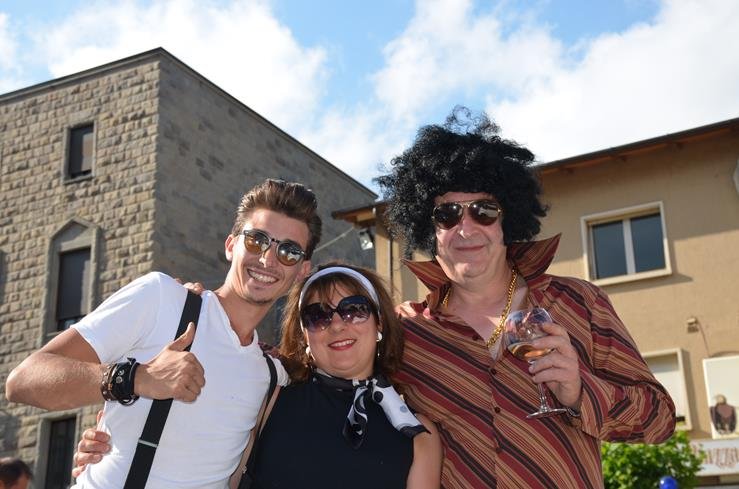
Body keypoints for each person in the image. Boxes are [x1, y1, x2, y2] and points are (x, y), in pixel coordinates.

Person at [375, 107, 677, 488]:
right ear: (428, 228)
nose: (466, 228)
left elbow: (660, 420)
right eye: (447, 214)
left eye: (484, 211)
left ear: (507, 222)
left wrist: (580, 392)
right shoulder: (404, 330)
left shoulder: (578, 303)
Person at [5, 179, 320, 488]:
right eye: (256, 240)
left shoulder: (271, 376)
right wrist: (136, 378)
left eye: (289, 252)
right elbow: (23, 381)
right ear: (230, 245)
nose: (267, 259)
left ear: (302, 270)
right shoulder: (162, 299)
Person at [74, 264, 443, 488]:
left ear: (380, 324)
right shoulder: (269, 392)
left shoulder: (416, 434)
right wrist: (113, 440)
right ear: (305, 335)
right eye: (318, 316)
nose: (336, 325)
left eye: (354, 309)